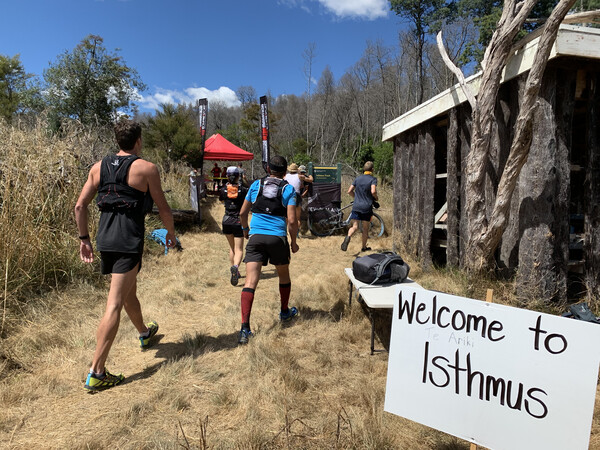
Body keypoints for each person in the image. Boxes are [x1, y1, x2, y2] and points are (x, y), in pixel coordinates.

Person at [75, 119, 176, 392]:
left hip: (104, 239)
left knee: (128, 291)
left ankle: (144, 332)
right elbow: (163, 208)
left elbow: (80, 205)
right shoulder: (146, 168)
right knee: (114, 304)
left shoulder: (98, 168)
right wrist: (171, 234)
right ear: (138, 141)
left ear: (117, 140)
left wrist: (84, 239)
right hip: (128, 241)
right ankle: (97, 371)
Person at [238, 155, 299, 345]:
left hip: (256, 238)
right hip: (277, 239)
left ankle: (245, 328)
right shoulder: (288, 189)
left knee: (250, 281)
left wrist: (246, 230)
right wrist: (294, 242)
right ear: (285, 172)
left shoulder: (256, 185)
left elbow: (242, 213)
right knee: (284, 276)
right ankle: (284, 312)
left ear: (269, 169)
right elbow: (291, 220)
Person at [219, 166, 248, 286]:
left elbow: (221, 201)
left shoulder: (223, 189)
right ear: (238, 176)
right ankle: (235, 267)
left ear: (227, 176)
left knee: (232, 248)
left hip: (226, 220)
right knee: (239, 249)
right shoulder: (243, 190)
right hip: (238, 221)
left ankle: (234, 270)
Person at [341, 161, 379, 253]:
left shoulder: (358, 179)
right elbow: (373, 191)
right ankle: (363, 247)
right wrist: (376, 198)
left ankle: (348, 237)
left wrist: (356, 197)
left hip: (356, 206)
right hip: (366, 207)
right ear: (372, 169)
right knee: (365, 228)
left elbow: (349, 191)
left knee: (354, 226)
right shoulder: (373, 179)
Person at [284, 163, 303, 233]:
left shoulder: (285, 176)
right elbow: (310, 179)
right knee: (297, 217)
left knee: (286, 216)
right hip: (296, 195)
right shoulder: (299, 176)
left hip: (287, 195)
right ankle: (296, 232)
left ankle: (285, 231)